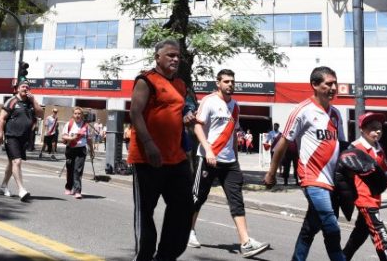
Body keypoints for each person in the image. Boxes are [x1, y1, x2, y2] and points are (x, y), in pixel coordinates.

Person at [264, 66, 347, 261]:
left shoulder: (336, 113)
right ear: (315, 85)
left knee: (310, 228)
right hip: (312, 178)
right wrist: (272, 173)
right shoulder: (302, 111)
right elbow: (282, 144)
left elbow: (342, 146)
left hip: (332, 182)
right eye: (329, 83)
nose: (334, 87)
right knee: (331, 225)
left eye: (335, 83)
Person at [188, 69, 270, 258]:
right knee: (198, 197)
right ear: (218, 83)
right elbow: (197, 126)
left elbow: (233, 133)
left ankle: (245, 242)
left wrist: (236, 159)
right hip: (208, 159)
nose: (230, 85)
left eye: (232, 81)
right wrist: (208, 149)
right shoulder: (209, 101)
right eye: (226, 81)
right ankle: (189, 231)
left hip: (230, 162)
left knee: (236, 201)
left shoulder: (235, 106)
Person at [128, 39, 195, 261]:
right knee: (145, 213)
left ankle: (166, 256)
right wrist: (148, 144)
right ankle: (144, 256)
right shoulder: (146, 80)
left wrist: (187, 117)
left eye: (178, 56)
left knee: (184, 208)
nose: (176, 59)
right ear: (157, 57)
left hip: (176, 159)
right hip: (148, 159)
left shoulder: (180, 84)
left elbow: (179, 111)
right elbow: (135, 113)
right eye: (170, 55)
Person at [342, 112, 387, 261]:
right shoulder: (354, 148)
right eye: (373, 128)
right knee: (381, 236)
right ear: (362, 129)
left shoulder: (379, 149)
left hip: (375, 198)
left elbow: (385, 174)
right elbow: (342, 175)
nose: (378, 131)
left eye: (379, 128)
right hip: (364, 199)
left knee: (360, 233)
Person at [0, 81, 42, 201]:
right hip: (11, 136)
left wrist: (34, 101)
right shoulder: (12, 101)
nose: (25, 89)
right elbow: (1, 118)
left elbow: (40, 114)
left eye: (27, 87)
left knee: (12, 163)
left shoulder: (31, 103)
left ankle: (3, 186)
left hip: (24, 138)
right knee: (17, 161)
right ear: (17, 89)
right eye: (23, 87)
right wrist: (0, 134)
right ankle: (21, 190)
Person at [61, 107, 94, 199]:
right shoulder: (69, 124)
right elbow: (63, 137)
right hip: (70, 149)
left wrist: (91, 150)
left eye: (79, 113)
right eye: (75, 113)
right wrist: (71, 138)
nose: (77, 115)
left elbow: (89, 139)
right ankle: (68, 187)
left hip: (81, 150)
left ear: (82, 115)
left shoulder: (85, 126)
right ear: (73, 115)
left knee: (78, 170)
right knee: (70, 169)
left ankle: (77, 190)